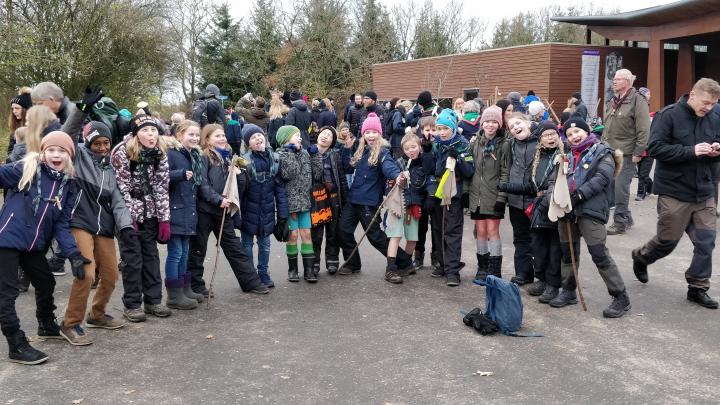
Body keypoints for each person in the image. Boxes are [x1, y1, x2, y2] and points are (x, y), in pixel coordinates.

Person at [0, 131, 90, 364]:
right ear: (43, 152)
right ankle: (16, 344)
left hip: (35, 245)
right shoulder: (26, 169)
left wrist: (74, 254)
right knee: (6, 294)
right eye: (51, 150)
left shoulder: (68, 184)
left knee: (46, 281)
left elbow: (62, 223)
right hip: (8, 240)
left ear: (69, 156)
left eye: (61, 151)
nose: (56, 154)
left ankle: (46, 324)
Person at [632, 78, 720, 309]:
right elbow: (655, 148)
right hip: (674, 191)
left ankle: (698, 287)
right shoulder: (668, 115)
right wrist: (691, 151)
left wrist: (717, 149)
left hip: (705, 191)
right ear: (692, 95)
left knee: (706, 242)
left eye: (713, 104)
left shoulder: (714, 116)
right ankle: (641, 257)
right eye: (706, 103)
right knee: (667, 242)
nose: (708, 108)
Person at [59, 121, 132, 346]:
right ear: (88, 142)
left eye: (106, 143)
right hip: (79, 221)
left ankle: (97, 314)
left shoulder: (112, 166)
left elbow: (118, 201)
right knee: (87, 273)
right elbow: (66, 136)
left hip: (105, 226)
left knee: (110, 275)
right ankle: (70, 323)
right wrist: (80, 110)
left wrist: (127, 227)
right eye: (97, 143)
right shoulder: (78, 156)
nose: (102, 147)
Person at [553, 117, 631, 318]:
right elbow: (557, 179)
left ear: (587, 132)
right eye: (569, 134)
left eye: (578, 132)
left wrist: (579, 195)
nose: (574, 137)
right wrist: (556, 198)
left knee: (599, 253)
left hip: (590, 210)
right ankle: (569, 291)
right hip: (567, 210)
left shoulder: (602, 152)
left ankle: (620, 296)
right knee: (567, 253)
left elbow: (602, 178)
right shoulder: (566, 154)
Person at [188, 124, 269, 296]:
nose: (223, 138)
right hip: (204, 211)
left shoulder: (229, 158)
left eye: (223, 135)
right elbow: (202, 184)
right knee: (198, 249)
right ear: (207, 139)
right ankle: (196, 286)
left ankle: (251, 282)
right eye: (217, 136)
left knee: (234, 248)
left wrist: (240, 175)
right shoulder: (203, 157)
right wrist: (218, 200)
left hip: (222, 212)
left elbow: (239, 189)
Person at [111, 115, 172, 321]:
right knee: (132, 260)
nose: (150, 134)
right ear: (136, 133)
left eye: (153, 130)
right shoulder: (123, 151)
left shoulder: (159, 153)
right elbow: (121, 187)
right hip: (128, 213)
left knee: (151, 258)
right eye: (145, 130)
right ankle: (132, 304)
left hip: (151, 213)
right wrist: (130, 217)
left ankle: (153, 301)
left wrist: (164, 218)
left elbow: (161, 187)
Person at [338, 112, 411, 280]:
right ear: (363, 134)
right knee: (343, 231)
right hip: (353, 199)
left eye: (374, 132)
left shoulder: (383, 153)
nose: (370, 135)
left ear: (379, 133)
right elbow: (348, 168)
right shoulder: (359, 149)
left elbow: (389, 168)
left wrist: (397, 176)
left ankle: (404, 262)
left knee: (375, 237)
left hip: (368, 202)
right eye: (367, 132)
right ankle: (353, 264)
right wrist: (346, 150)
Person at [427, 109, 474, 286]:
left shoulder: (462, 144)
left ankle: (453, 270)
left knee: (452, 230)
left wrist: (459, 159)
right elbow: (430, 170)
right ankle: (443, 263)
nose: (441, 132)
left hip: (454, 191)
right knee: (438, 229)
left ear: (453, 128)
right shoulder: (436, 145)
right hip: (438, 191)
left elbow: (469, 171)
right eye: (438, 129)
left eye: (445, 128)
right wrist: (432, 190)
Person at [602, 68, 650, 235]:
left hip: (627, 153)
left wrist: (638, 152)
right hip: (610, 150)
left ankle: (620, 222)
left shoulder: (638, 100)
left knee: (621, 188)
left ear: (628, 82)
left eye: (618, 79)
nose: (614, 81)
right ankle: (627, 218)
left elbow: (644, 129)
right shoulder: (613, 99)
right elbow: (607, 125)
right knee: (614, 186)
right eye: (614, 78)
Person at [165, 120, 207, 310]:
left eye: (196, 135)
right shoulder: (172, 154)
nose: (195, 138)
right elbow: (162, 177)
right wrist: (179, 174)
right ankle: (174, 295)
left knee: (184, 253)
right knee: (176, 254)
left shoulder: (193, 155)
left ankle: (185, 288)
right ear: (179, 135)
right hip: (176, 210)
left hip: (188, 211)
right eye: (190, 134)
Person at [240, 124, 288, 288]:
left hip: (267, 211)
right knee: (246, 244)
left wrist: (283, 214)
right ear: (248, 143)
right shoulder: (243, 162)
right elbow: (238, 192)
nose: (258, 139)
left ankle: (263, 272)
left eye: (260, 135)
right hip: (248, 211)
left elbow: (279, 189)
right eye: (253, 137)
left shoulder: (274, 159)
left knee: (265, 245)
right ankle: (249, 274)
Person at [468, 105, 511, 281]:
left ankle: (495, 270)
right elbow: (469, 168)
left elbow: (505, 172)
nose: (490, 125)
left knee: (493, 231)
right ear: (482, 123)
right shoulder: (475, 142)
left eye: (494, 121)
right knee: (480, 231)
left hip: (494, 195)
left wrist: (502, 197)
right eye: (487, 121)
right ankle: (482, 268)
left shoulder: (504, 144)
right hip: (476, 195)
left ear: (499, 124)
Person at [384, 133, 431, 283]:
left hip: (414, 205)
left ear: (419, 147)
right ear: (403, 150)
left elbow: (427, 183)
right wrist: (398, 181)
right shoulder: (398, 163)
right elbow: (388, 186)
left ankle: (405, 264)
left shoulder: (424, 163)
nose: (411, 150)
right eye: (407, 148)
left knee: (412, 238)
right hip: (399, 204)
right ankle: (390, 269)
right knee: (395, 236)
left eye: (414, 146)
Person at [499, 113, 538, 285]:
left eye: (518, 123)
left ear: (528, 123)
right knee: (520, 238)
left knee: (538, 239)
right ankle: (523, 272)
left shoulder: (540, 142)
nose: (515, 127)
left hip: (535, 201)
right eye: (511, 126)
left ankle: (543, 276)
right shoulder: (511, 145)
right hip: (516, 201)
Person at [276, 125, 315, 282]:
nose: (300, 138)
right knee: (292, 236)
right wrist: (291, 152)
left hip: (305, 202)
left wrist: (316, 156)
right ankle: (292, 270)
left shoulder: (304, 153)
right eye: (296, 135)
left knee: (306, 234)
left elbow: (315, 173)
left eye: (300, 135)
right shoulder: (280, 154)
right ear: (285, 139)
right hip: (290, 204)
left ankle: (309, 271)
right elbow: (288, 173)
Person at [309, 126, 348, 276]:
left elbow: (342, 177)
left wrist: (345, 198)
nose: (325, 136)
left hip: (333, 198)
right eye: (323, 133)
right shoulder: (309, 152)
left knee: (333, 232)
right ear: (318, 135)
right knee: (316, 233)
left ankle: (332, 261)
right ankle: (314, 263)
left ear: (332, 141)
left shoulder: (335, 155)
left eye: (329, 136)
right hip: (317, 199)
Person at [635, 87, 654, 201]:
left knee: (643, 174)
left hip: (649, 148)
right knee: (643, 173)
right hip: (639, 147)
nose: (650, 96)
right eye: (648, 94)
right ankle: (650, 188)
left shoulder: (648, 112)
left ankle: (640, 194)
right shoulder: (640, 109)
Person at [7, 90, 32, 155]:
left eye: (17, 108)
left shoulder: (37, 128)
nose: (14, 111)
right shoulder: (16, 125)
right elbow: (10, 150)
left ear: (26, 109)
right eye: (13, 108)